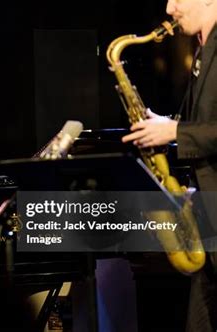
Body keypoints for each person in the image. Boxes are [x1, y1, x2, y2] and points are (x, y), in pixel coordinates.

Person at [122, 1, 217, 331]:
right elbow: (203, 121)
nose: (169, 7)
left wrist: (174, 132)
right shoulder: (203, 49)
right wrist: (166, 122)